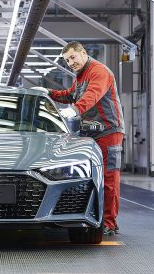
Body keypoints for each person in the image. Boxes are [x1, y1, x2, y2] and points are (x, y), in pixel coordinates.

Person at [32, 41, 124, 236]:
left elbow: (92, 95)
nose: (70, 63)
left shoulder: (99, 71)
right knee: (89, 177)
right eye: (67, 61)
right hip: (89, 134)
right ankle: (91, 215)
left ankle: (109, 223)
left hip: (109, 131)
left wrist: (74, 110)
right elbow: (70, 95)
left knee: (109, 178)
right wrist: (49, 93)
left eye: (72, 57)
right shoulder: (80, 76)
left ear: (83, 52)